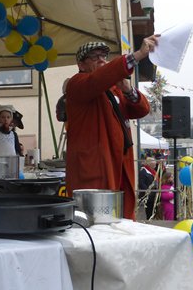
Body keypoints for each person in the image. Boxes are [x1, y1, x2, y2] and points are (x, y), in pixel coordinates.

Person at [65, 35, 157, 219]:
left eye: (103, 56)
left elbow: (142, 109)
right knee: (97, 221)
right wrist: (137, 55)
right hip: (97, 166)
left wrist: (128, 90)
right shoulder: (77, 83)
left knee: (120, 218)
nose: (101, 60)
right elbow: (98, 79)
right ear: (81, 65)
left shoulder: (113, 89)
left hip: (119, 164)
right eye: (94, 57)